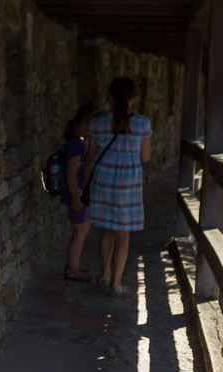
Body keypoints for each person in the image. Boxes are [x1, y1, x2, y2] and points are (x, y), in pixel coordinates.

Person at [86, 77, 152, 296]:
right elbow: (145, 157)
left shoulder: (97, 122)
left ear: (110, 97)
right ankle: (116, 282)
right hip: (128, 183)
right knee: (123, 234)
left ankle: (104, 274)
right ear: (133, 99)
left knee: (106, 229)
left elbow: (91, 155)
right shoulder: (142, 124)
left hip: (103, 181)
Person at [61, 102, 99, 281]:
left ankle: (75, 263)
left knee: (83, 229)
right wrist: (76, 198)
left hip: (81, 193)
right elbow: (70, 171)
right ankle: (72, 268)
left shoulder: (81, 142)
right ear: (85, 123)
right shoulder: (76, 144)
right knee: (78, 232)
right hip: (76, 194)